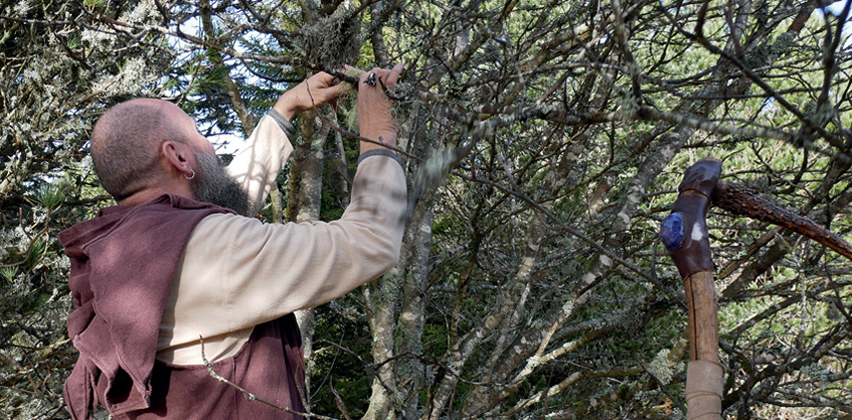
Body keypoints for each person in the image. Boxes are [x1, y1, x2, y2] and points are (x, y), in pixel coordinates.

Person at [59, 64, 407, 420]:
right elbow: (372, 238)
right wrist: (379, 131)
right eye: (197, 134)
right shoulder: (211, 248)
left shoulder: (119, 246)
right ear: (179, 157)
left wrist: (284, 111)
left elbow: (220, 212)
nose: (210, 145)